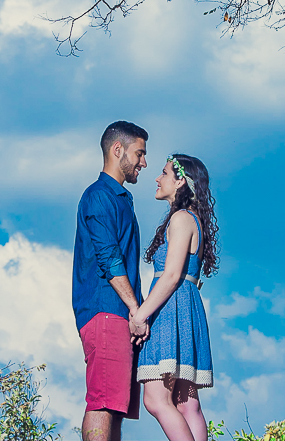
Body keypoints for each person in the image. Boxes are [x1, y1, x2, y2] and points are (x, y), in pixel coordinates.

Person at [132, 154, 219, 441]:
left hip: (171, 311)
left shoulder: (181, 219)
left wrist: (140, 314)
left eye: (164, 173)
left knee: (156, 400)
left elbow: (171, 275)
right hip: (186, 308)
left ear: (180, 181)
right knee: (187, 403)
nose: (157, 179)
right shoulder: (193, 219)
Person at [73, 120, 149, 441]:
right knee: (103, 401)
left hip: (120, 313)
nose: (144, 162)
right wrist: (135, 309)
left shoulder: (120, 198)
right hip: (107, 310)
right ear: (118, 151)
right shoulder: (99, 197)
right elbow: (109, 258)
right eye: (139, 153)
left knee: (115, 406)